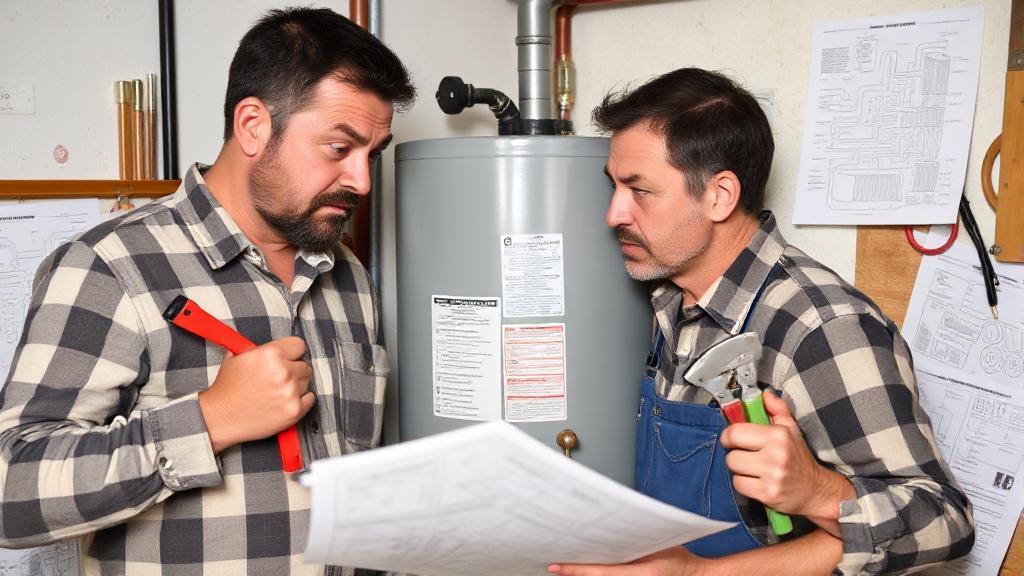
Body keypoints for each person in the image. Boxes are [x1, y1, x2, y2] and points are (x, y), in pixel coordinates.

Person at [0, 7, 414, 575]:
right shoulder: (110, 267)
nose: (362, 181)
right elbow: (12, 493)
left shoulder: (345, 272)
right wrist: (212, 419)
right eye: (339, 149)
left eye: (374, 154)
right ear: (253, 126)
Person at [549, 68, 973, 576]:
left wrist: (818, 491)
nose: (614, 214)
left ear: (720, 196)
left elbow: (945, 521)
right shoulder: (670, 298)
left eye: (639, 190)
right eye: (614, 186)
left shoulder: (820, 327)